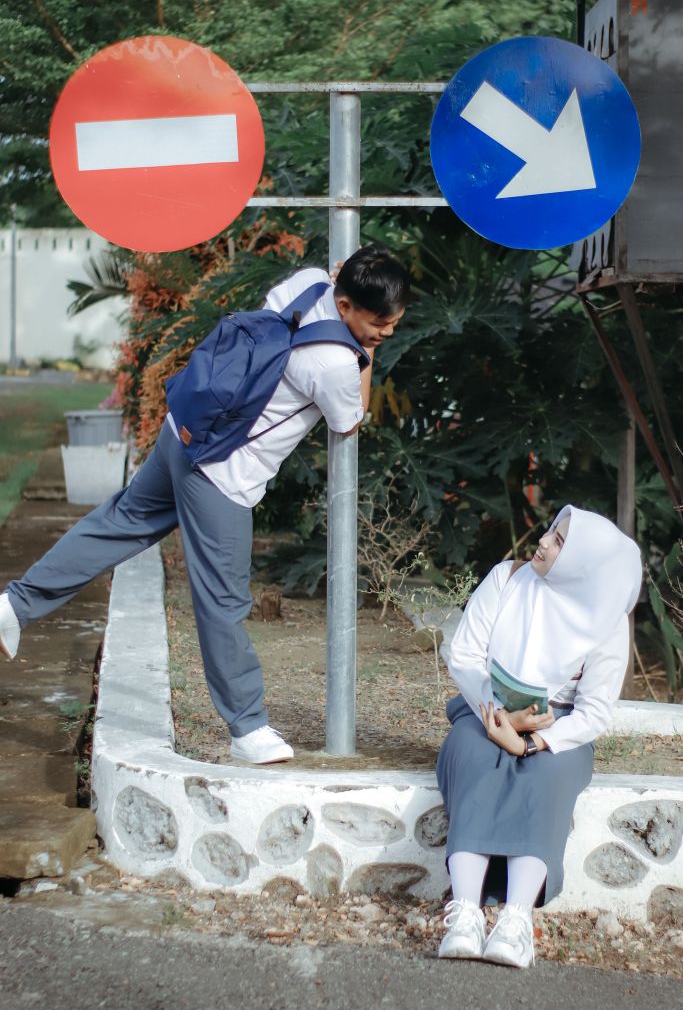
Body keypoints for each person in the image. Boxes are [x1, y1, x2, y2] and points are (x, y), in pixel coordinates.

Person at [0, 244, 410, 764]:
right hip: (222, 475)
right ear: (346, 305)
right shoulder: (334, 363)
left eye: (394, 323)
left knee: (119, 522)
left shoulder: (307, 282)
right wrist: (364, 355)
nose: (386, 332)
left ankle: (13, 606)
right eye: (379, 323)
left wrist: (352, 313)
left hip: (184, 433)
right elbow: (350, 420)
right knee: (223, 600)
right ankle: (248, 728)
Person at [436, 505, 642, 968]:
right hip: (485, 708)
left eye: (560, 542)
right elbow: (465, 655)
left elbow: (593, 712)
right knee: (471, 754)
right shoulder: (507, 579)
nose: (544, 542)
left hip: (559, 730)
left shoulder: (608, 620)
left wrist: (530, 742)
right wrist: (503, 717)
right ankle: (465, 913)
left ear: (584, 564)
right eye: (551, 531)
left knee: (546, 777)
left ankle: (515, 920)